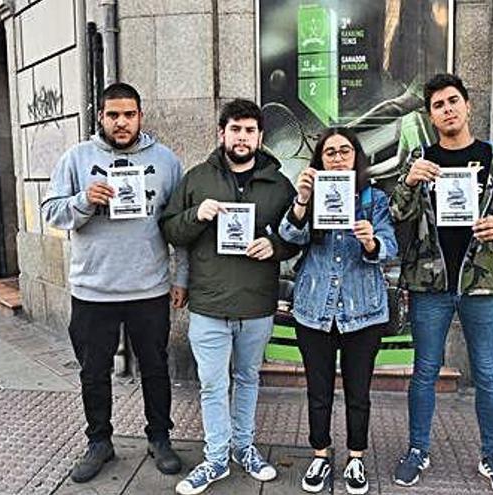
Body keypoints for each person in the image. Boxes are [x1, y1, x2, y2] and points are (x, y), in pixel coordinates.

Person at [41, 82, 188, 483]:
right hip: (93, 290)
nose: (121, 123)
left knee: (156, 368)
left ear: (140, 116)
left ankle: (159, 437)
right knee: (93, 371)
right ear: (100, 117)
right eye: (113, 115)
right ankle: (99, 442)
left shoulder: (167, 161)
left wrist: (181, 277)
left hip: (150, 289)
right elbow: (51, 213)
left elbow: (180, 226)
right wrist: (84, 201)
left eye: (129, 114)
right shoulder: (77, 158)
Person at [389, 74, 493, 495]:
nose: (447, 109)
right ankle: (417, 450)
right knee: (424, 372)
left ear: (467, 106)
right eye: (438, 105)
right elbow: (397, 213)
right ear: (430, 116)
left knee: (487, 375)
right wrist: (410, 181)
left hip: (483, 282)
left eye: (453, 101)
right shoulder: (420, 160)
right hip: (430, 283)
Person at [161, 99, 299, 495]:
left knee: (248, 378)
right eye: (235, 129)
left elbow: (295, 235)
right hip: (208, 303)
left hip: (256, 302)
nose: (242, 137)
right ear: (222, 133)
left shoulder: (279, 183)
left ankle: (244, 448)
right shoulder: (197, 179)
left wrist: (274, 246)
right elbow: (170, 230)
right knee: (212, 385)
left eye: (250, 130)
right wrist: (196, 215)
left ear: (260, 137)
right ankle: (216, 457)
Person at [279, 128, 398, 495]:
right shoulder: (310, 196)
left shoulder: (374, 199)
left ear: (356, 157)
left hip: (363, 310)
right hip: (314, 310)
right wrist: (301, 201)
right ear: (319, 160)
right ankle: (320, 453)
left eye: (344, 151)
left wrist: (371, 240)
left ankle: (356, 458)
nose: (336, 157)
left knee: (358, 391)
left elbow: (390, 247)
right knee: (318, 390)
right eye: (329, 152)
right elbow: (289, 239)